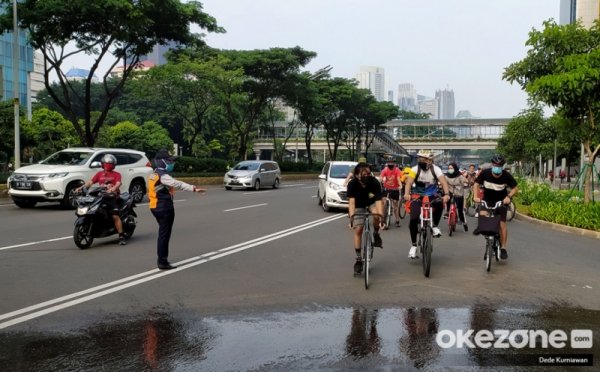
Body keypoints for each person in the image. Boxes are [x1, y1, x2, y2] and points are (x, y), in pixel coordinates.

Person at [148, 149, 206, 270]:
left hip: (154, 207)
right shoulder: (163, 176)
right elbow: (177, 183)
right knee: (164, 235)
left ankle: (162, 258)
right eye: (169, 161)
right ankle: (162, 261)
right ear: (161, 162)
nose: (171, 163)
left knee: (162, 233)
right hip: (164, 207)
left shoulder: (153, 174)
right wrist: (193, 189)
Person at [403, 150, 450, 259]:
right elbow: (409, 182)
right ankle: (414, 245)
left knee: (440, 203)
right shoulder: (414, 169)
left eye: (424, 159)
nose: (421, 161)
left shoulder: (436, 169)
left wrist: (446, 194)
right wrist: (406, 194)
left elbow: (443, 182)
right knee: (414, 218)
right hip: (417, 195)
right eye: (420, 159)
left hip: (432, 194)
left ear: (430, 160)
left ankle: (434, 226)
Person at [472, 154, 518, 260]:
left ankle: (503, 248)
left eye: (500, 165)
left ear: (502, 166)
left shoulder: (506, 175)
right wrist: (475, 196)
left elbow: (515, 189)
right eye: (495, 165)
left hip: (501, 201)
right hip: (487, 200)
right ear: (492, 165)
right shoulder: (485, 173)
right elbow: (476, 184)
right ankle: (488, 242)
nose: (497, 167)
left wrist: (509, 197)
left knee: (502, 224)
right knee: (483, 217)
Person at [76, 154, 127, 245]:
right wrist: (81, 188)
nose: (107, 165)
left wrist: (113, 188)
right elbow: (90, 182)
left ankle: (121, 236)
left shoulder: (116, 174)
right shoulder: (99, 174)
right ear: (102, 164)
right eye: (105, 163)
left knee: (115, 216)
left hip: (112, 197)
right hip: (101, 197)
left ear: (113, 165)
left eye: (109, 164)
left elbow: (118, 183)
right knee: (91, 209)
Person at [347, 162, 385, 275]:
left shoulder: (374, 182)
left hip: (371, 203)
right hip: (358, 205)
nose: (366, 176)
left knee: (377, 215)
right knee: (358, 229)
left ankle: (376, 233)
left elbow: (378, 201)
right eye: (363, 174)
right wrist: (352, 218)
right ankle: (358, 259)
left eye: (368, 174)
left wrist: (381, 217)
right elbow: (352, 203)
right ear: (357, 174)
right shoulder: (352, 184)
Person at [444, 162, 469, 232]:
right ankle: (447, 211)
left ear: (455, 169)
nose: (450, 170)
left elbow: (466, 181)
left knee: (460, 210)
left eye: (451, 168)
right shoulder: (446, 176)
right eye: (449, 168)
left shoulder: (459, 176)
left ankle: (464, 222)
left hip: (459, 193)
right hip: (450, 191)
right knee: (447, 198)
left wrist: (465, 183)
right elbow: (443, 182)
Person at [379, 159, 403, 227]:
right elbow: (381, 177)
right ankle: (382, 218)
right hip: (386, 189)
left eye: (392, 162)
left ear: (394, 163)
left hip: (395, 189)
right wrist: (379, 181)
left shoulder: (397, 170)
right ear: (387, 163)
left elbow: (398, 178)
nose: (390, 164)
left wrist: (400, 185)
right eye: (389, 162)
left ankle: (397, 220)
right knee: (383, 203)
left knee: (395, 205)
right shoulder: (385, 170)